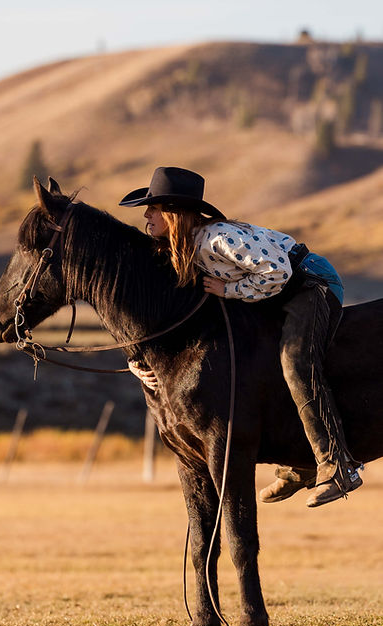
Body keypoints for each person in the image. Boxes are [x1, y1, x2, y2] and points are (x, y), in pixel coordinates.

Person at [119, 166, 363, 508]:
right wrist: (137, 361)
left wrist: (230, 289)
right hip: (274, 294)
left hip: (309, 284)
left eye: (154, 207)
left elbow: (279, 269)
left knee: (296, 363)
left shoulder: (217, 238)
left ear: (174, 213)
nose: (146, 214)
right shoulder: (182, 248)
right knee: (262, 365)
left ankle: (338, 466)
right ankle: (303, 465)